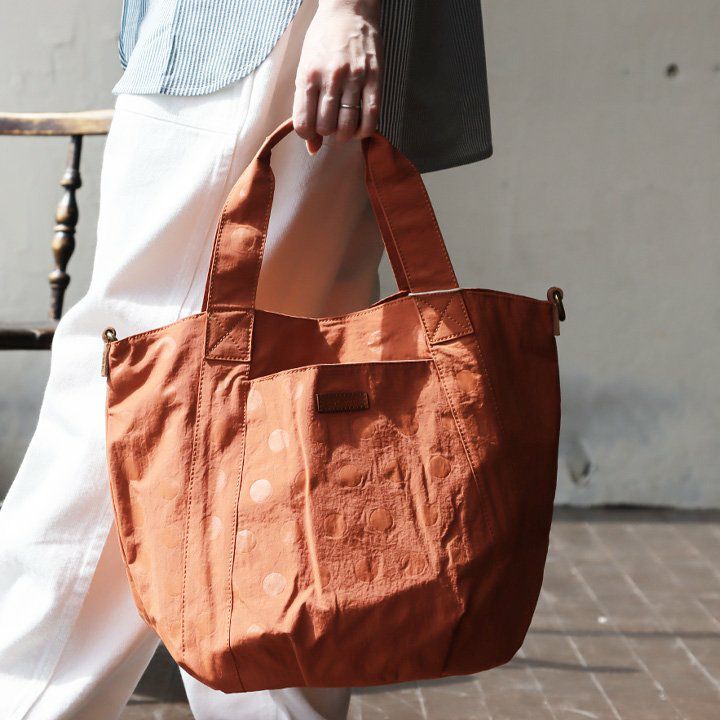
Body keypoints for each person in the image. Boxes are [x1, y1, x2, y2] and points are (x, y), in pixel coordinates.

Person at [0, 1, 492, 718]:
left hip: (263, 32)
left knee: (142, 380)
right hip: (284, 38)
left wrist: (345, 10)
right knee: (286, 409)